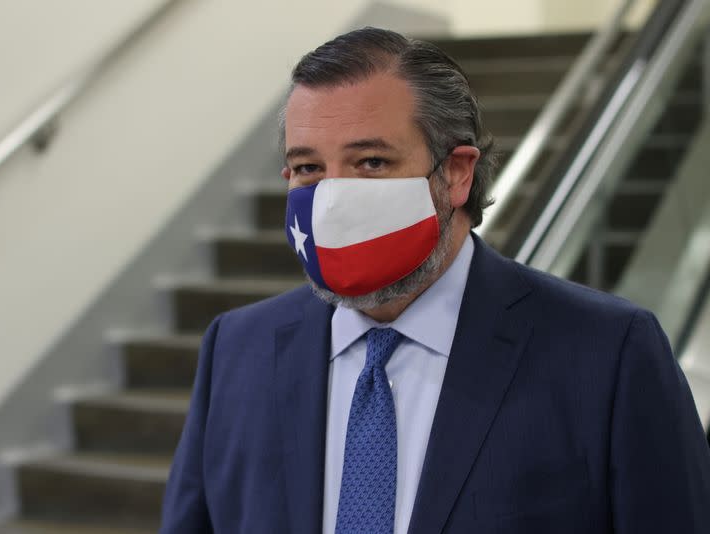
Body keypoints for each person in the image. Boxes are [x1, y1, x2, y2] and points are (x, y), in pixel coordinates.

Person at [160, 27, 710, 534]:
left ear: (456, 173)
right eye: (307, 168)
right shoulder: (237, 349)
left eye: (371, 162)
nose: (330, 200)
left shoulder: (608, 354)